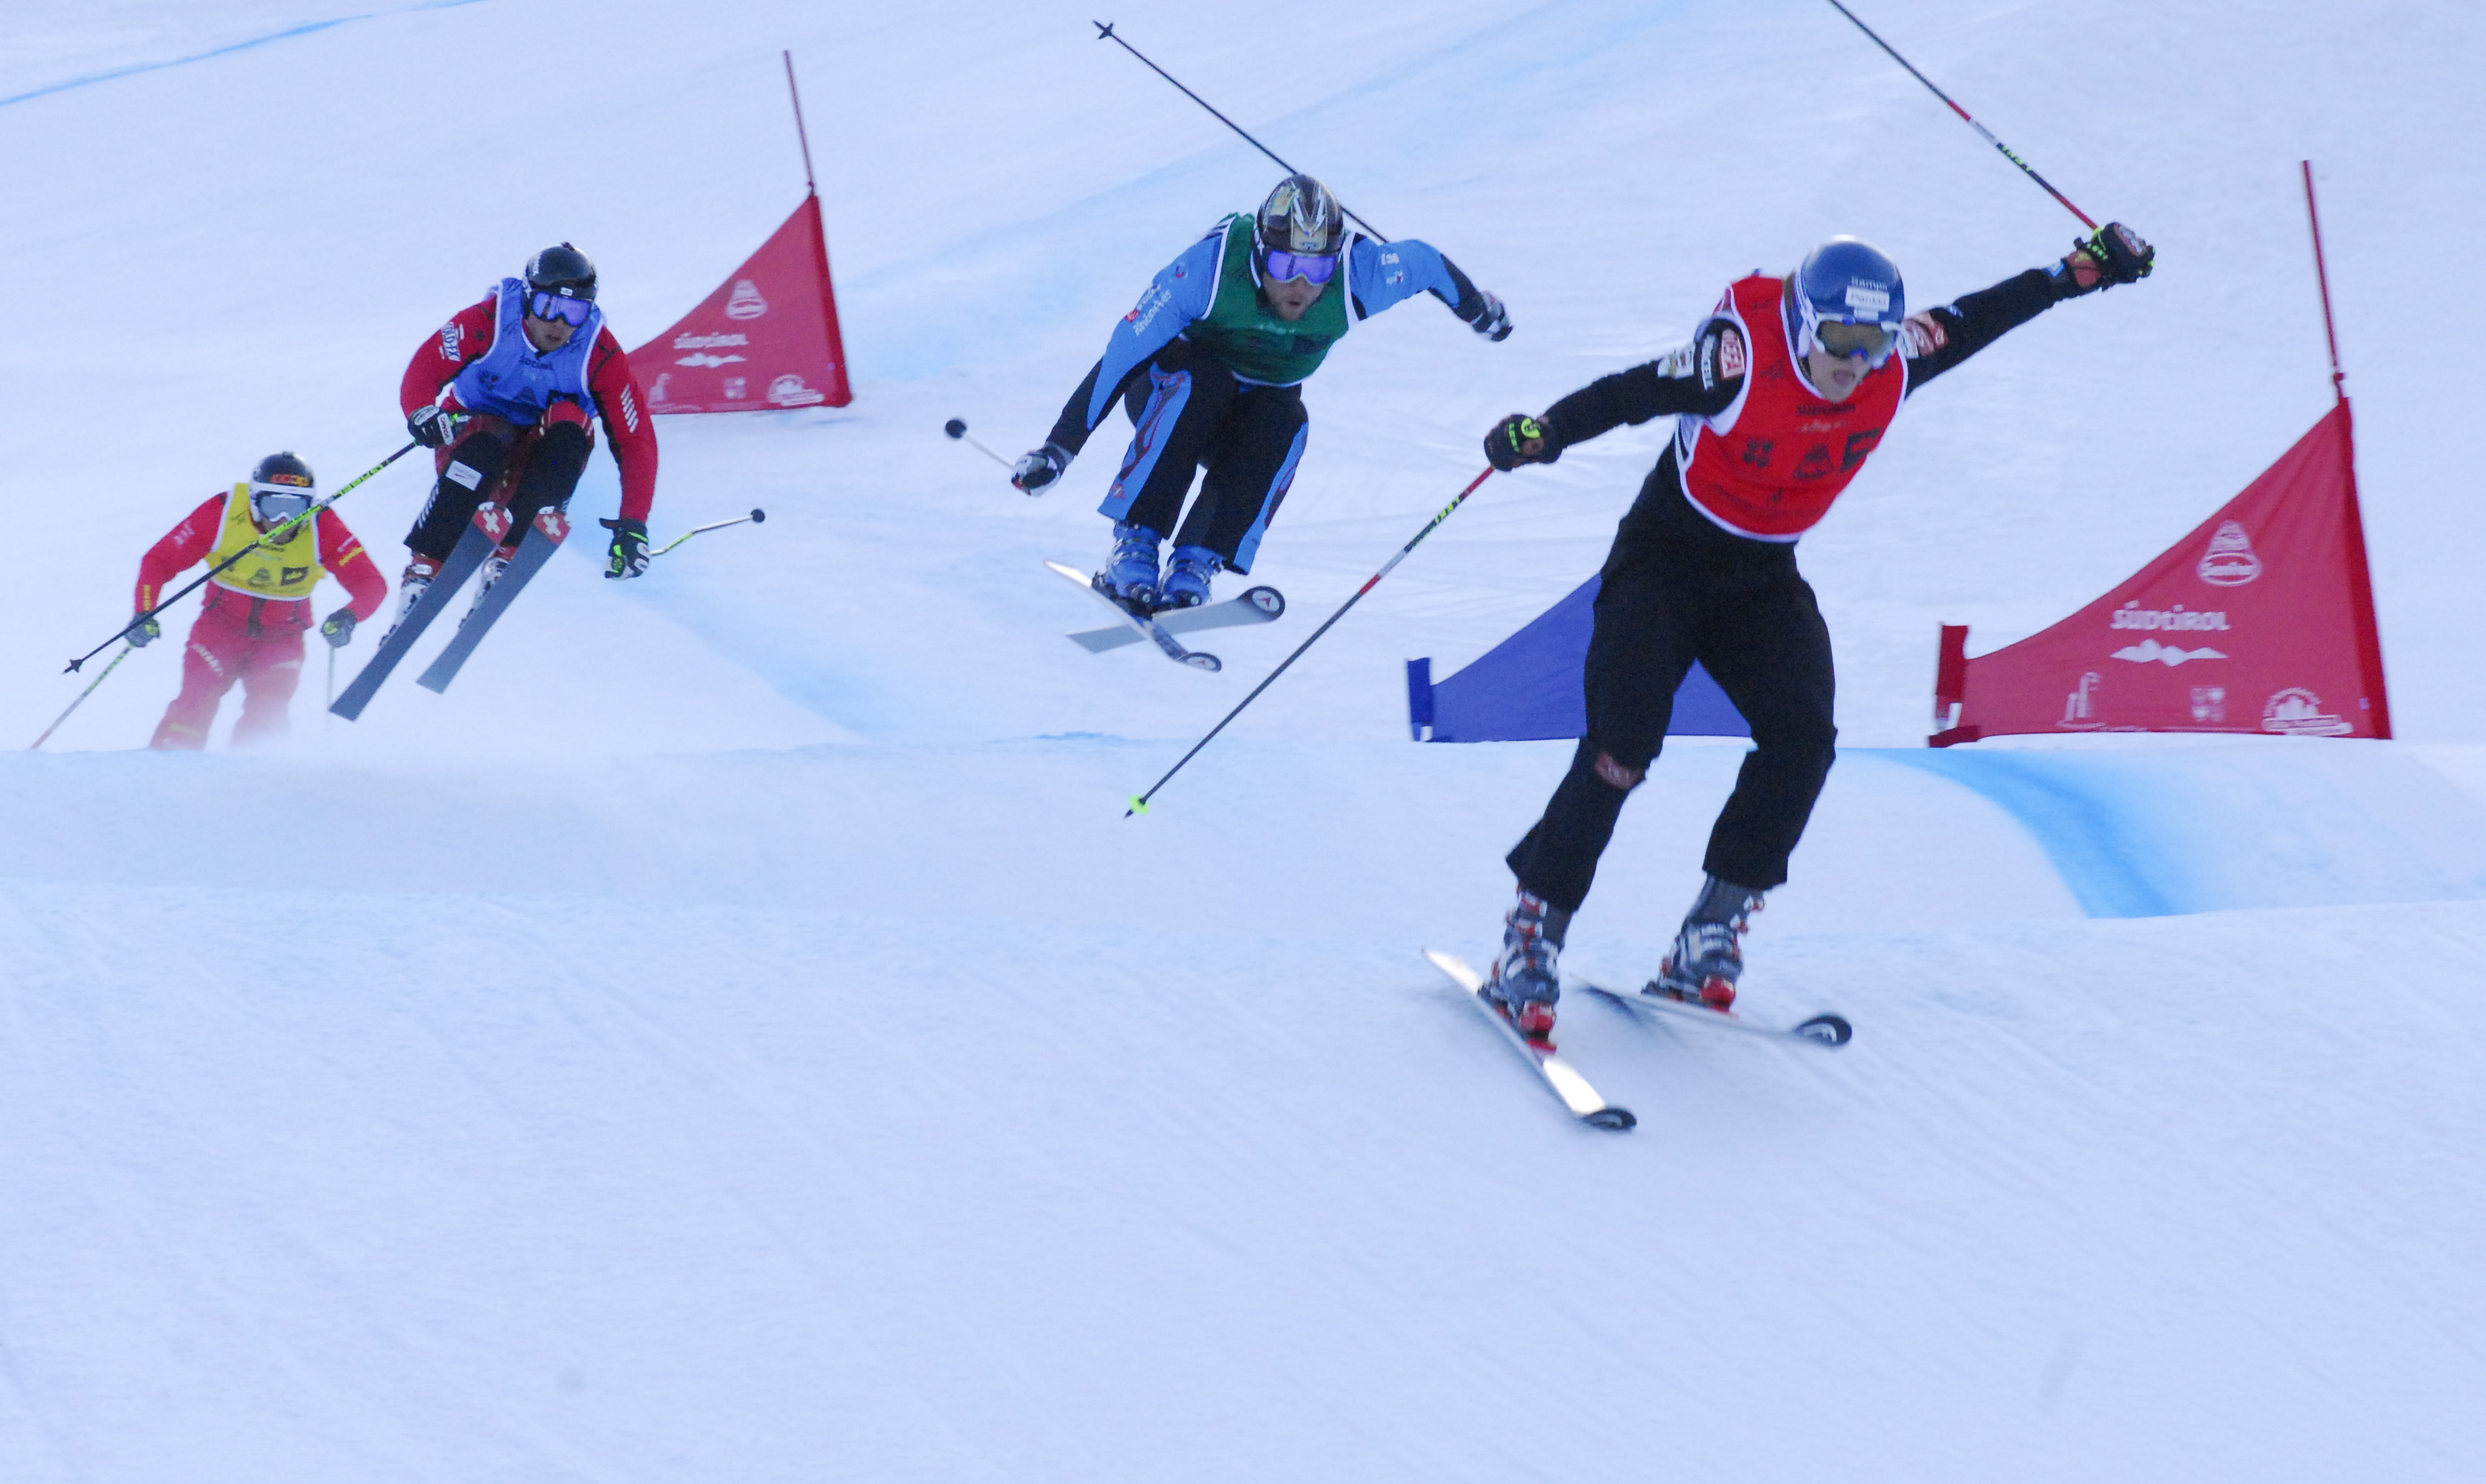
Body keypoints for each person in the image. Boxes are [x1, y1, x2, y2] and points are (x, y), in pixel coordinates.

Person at [1476, 224, 2157, 1038]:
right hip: (1664, 562)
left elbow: (1980, 316)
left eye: (1870, 345)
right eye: (1838, 339)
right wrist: (1544, 432)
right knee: (1622, 749)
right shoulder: (1734, 359)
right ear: (1804, 323)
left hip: (1760, 578)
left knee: (1803, 737)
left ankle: (1710, 931)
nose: (1853, 362)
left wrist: (2074, 273)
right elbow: (1629, 394)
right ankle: (1532, 938)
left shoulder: (1892, 363)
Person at [1012, 173, 1512, 610]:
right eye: (1284, 267)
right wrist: (1058, 450)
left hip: (1242, 423)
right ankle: (1136, 544)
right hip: (1169, 396)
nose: (1300, 284)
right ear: (1259, 254)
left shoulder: (1360, 277)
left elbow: (1424, 263)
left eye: (1317, 269)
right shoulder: (1207, 271)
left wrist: (1477, 310)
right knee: (1202, 380)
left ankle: (1197, 559)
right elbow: (1123, 356)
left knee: (1286, 418)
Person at [397, 243, 659, 618]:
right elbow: (426, 367)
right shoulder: (488, 320)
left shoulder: (598, 353)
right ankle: (424, 571)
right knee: (490, 438)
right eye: (549, 307)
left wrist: (634, 522)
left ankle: (508, 557)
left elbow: (635, 439)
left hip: (537, 462)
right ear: (527, 299)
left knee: (572, 424)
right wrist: (421, 412)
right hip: (475, 445)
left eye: (575, 312)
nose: (560, 324)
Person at [128, 451, 388, 750]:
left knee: (267, 717)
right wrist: (144, 611)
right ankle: (165, 775)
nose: (284, 520)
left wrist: (349, 616)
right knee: (195, 704)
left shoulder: (322, 526)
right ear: (254, 501)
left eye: (296, 508)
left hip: (282, 639)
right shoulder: (224, 513)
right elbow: (160, 560)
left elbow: (371, 583)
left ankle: (251, 785)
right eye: (274, 505)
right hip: (218, 632)